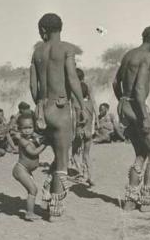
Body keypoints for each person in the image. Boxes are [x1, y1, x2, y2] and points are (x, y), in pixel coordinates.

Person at [30, 13, 86, 221]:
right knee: (63, 161)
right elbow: (72, 79)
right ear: (59, 28)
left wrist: (40, 104)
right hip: (60, 108)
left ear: (44, 30)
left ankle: (47, 194)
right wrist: (81, 105)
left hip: (42, 109)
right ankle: (54, 208)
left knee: (56, 157)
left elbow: (32, 86)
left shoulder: (37, 52)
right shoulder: (66, 49)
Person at [113, 25, 150, 212]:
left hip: (125, 107)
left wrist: (122, 101)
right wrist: (143, 116)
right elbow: (140, 89)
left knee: (140, 154)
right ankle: (146, 202)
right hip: (137, 108)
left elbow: (115, 82)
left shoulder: (128, 55)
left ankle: (129, 201)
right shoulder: (146, 57)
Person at [12, 115, 48, 221]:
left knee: (32, 190)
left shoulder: (31, 138)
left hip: (26, 170)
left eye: (30, 127)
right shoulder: (23, 141)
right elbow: (33, 152)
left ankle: (30, 210)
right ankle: (29, 213)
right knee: (33, 190)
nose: (28, 131)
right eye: (25, 128)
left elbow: (39, 138)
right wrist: (45, 144)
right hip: (21, 169)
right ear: (20, 129)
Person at [71, 68, 97, 187]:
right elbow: (95, 106)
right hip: (88, 132)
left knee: (75, 153)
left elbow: (76, 118)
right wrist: (97, 123)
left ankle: (81, 172)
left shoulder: (76, 103)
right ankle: (90, 176)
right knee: (86, 154)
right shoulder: (90, 104)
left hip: (79, 130)